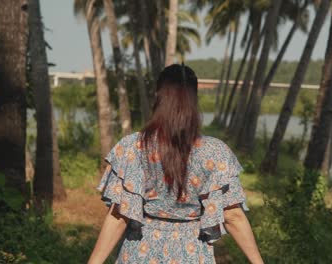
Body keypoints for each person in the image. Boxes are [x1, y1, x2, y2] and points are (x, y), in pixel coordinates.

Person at [88, 64, 263, 264]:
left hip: (139, 253)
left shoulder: (132, 148)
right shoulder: (215, 153)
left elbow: (119, 216)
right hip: (191, 254)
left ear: (158, 97)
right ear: (194, 100)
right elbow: (233, 217)